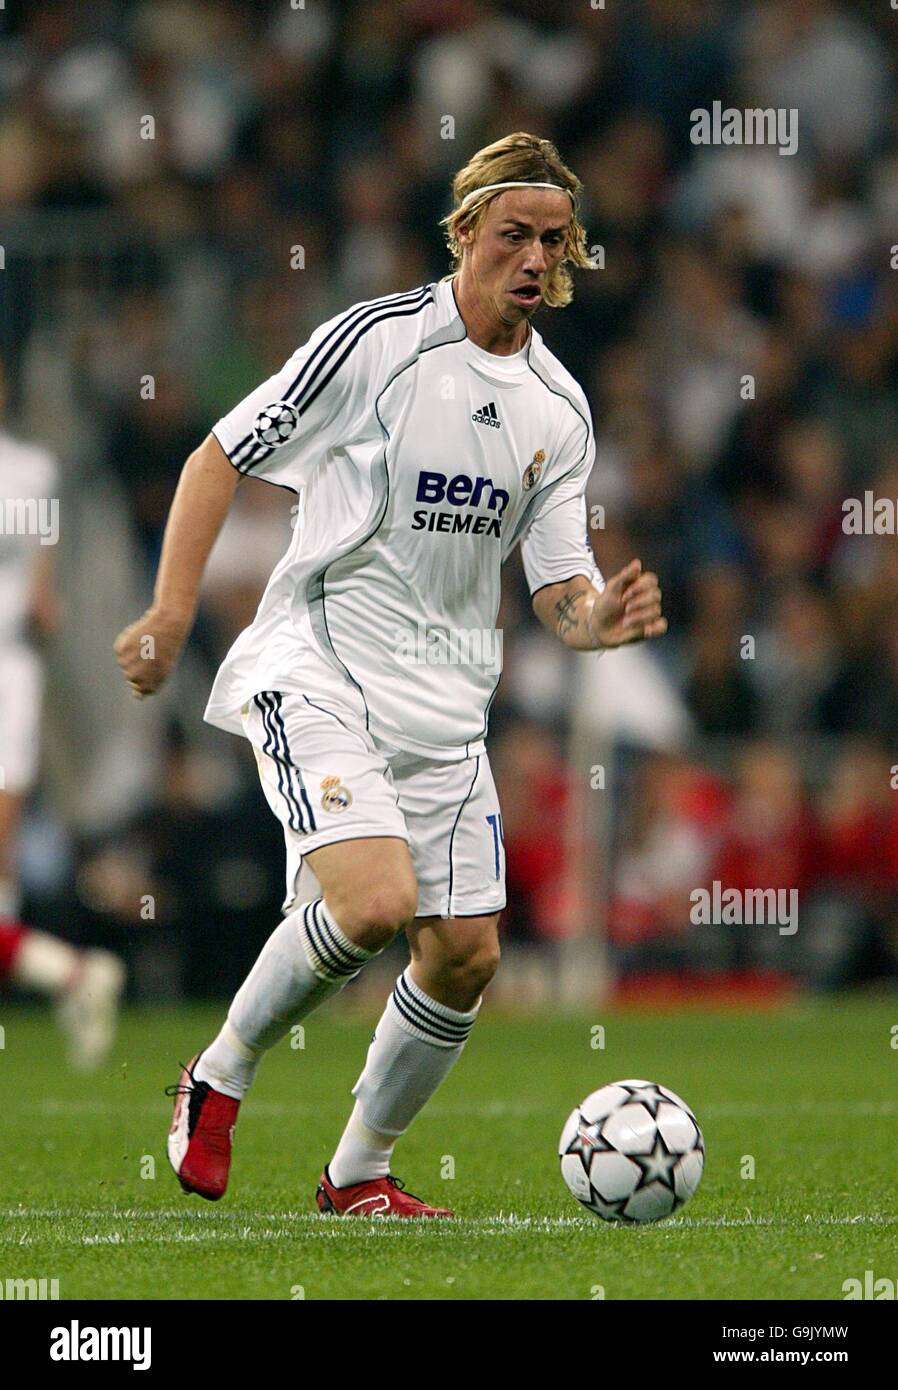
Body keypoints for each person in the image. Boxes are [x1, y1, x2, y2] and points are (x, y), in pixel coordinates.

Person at [115, 133, 666, 1217]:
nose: (535, 257)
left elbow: (558, 586)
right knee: (374, 903)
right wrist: (172, 610)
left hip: (448, 710)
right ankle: (216, 1073)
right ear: (462, 234)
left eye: (554, 240)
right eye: (513, 234)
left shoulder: (558, 409)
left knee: (463, 955)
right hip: (320, 666)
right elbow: (217, 456)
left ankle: (357, 1172)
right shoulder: (376, 342)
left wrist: (599, 619)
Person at [0, 365, 125, 1069]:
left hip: (7, 677)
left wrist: (46, 608)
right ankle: (76, 976)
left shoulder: (29, 469)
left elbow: (41, 586)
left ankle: (75, 976)